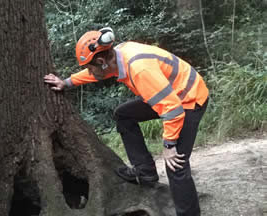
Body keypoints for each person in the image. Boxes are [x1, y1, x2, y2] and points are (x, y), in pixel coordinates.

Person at [44, 27, 209, 216]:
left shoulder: (139, 69)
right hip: (168, 96)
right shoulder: (117, 56)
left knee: (175, 165)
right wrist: (67, 82)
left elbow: (173, 110)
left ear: (101, 61)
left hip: (188, 100)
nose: (89, 72)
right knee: (124, 115)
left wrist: (169, 145)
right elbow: (98, 73)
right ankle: (145, 171)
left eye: (90, 67)